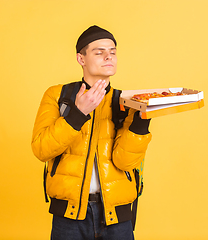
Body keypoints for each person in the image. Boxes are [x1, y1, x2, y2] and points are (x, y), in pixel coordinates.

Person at [31, 25, 152, 240]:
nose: (109, 57)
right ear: (81, 59)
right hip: (69, 215)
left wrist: (141, 122)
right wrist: (78, 114)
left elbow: (124, 163)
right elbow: (41, 149)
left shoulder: (126, 101)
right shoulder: (58, 96)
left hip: (117, 215)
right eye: (99, 52)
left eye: (113, 52)